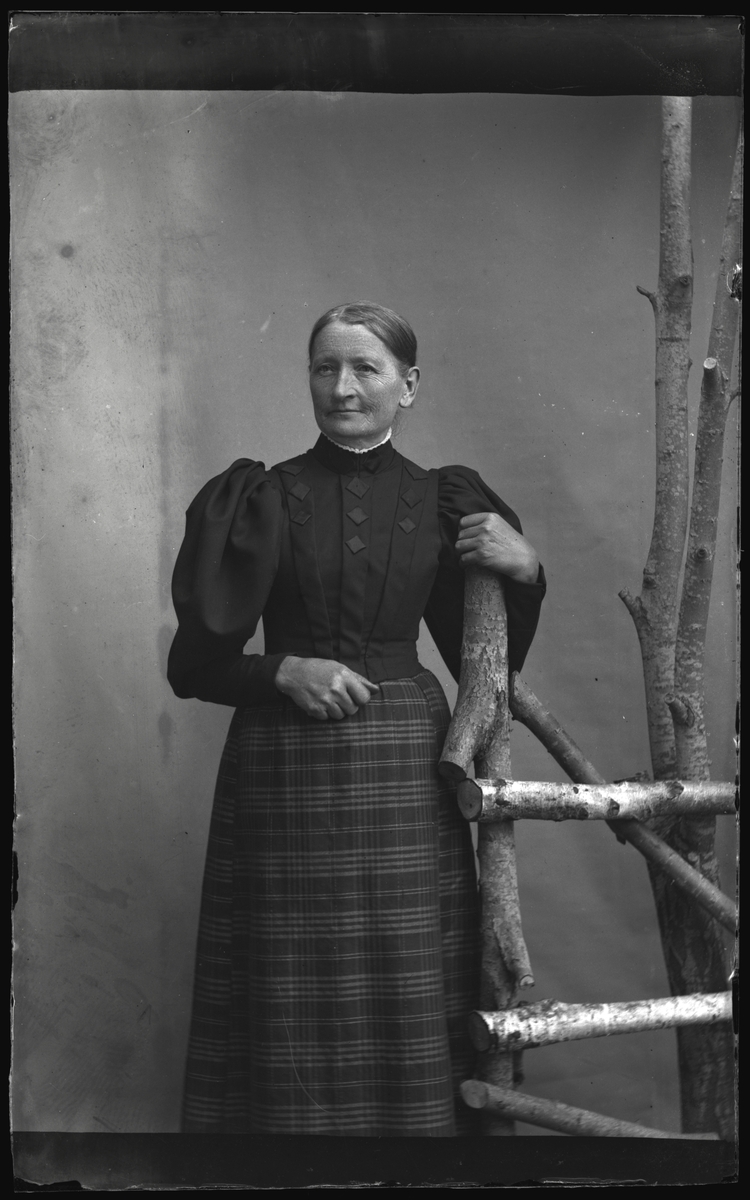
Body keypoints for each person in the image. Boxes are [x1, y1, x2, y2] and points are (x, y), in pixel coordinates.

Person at [168, 302, 545, 1136]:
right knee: (288, 968)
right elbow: (192, 668)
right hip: (283, 767)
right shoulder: (259, 497)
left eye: (365, 368)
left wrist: (526, 567)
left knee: (406, 962)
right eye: (324, 368)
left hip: (406, 761)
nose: (342, 388)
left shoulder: (444, 500)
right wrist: (281, 670)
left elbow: (488, 666)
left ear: (408, 385)